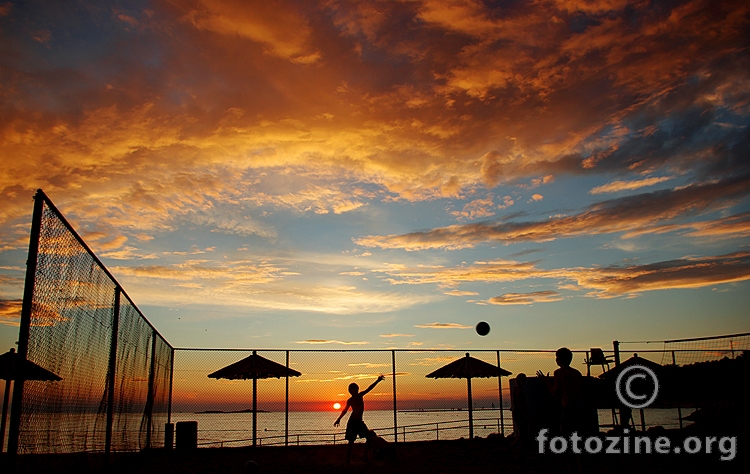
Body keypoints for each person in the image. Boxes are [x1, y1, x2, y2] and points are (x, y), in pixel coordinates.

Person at [334, 375, 385, 464]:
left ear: (357, 389)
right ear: (350, 391)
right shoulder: (350, 400)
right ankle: (347, 459)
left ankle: (364, 456)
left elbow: (369, 388)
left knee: (370, 437)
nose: (354, 391)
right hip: (352, 422)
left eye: (355, 389)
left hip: (359, 422)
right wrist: (339, 419)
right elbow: (345, 410)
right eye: (352, 389)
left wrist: (377, 381)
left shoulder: (360, 395)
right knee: (351, 441)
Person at [537, 347, 584, 435]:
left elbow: (555, 393)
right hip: (579, 406)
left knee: (566, 432)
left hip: (567, 406)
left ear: (560, 359)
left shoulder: (559, 373)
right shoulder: (577, 373)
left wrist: (546, 382)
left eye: (557, 358)